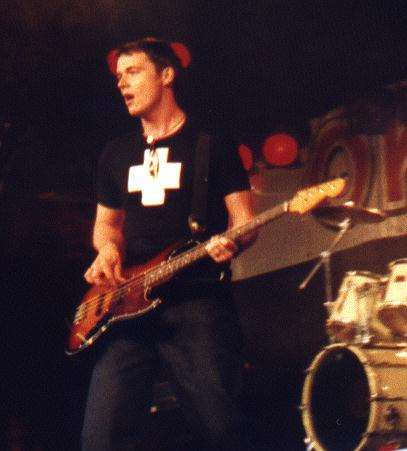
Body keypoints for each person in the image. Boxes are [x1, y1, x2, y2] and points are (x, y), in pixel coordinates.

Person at [81, 37, 256, 451]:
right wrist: (108, 249)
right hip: (128, 303)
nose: (122, 83)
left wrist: (231, 242)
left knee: (220, 426)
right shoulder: (115, 153)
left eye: (133, 72)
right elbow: (106, 225)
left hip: (195, 296)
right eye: (119, 76)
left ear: (166, 75)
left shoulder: (210, 143)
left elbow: (245, 223)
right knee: (100, 436)